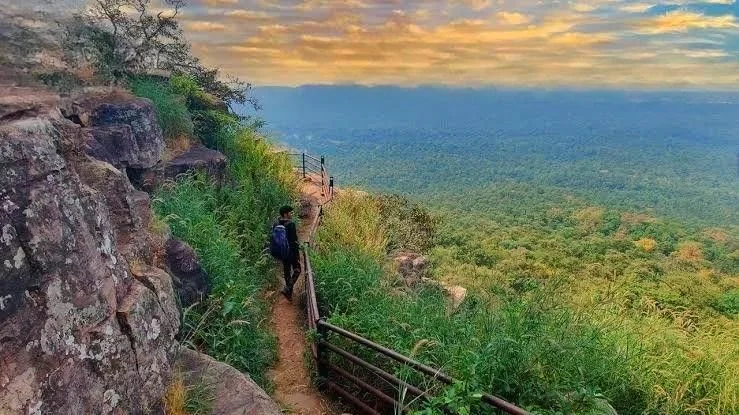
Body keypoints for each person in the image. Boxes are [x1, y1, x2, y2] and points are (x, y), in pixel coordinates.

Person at [277, 205, 301, 299]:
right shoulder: (291, 224)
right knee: (298, 270)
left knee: (287, 272)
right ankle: (287, 288)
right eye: (290, 212)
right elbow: (294, 241)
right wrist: (297, 254)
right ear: (285, 214)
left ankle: (289, 295)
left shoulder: (277, 223)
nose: (291, 214)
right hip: (291, 253)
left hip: (282, 252)